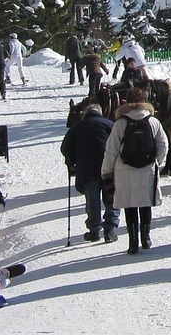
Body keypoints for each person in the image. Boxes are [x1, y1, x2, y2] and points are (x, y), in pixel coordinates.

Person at [102, 88, 169, 255]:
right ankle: (146, 239)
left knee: (129, 205)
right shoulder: (153, 121)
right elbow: (163, 145)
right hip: (147, 170)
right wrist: (156, 162)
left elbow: (111, 150)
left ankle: (133, 242)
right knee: (145, 204)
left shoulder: (120, 123)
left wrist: (106, 172)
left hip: (124, 170)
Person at [61, 101, 119, 243]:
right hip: (109, 169)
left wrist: (72, 161)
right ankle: (110, 230)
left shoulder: (77, 127)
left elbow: (65, 148)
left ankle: (94, 231)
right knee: (111, 198)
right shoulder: (110, 125)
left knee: (92, 201)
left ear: (85, 114)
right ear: (100, 112)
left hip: (87, 169)